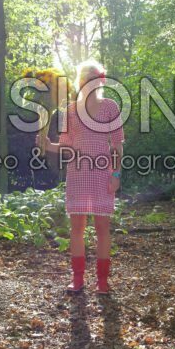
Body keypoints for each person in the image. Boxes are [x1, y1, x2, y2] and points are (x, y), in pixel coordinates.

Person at [36, 59, 125, 294]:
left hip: (103, 174)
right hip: (77, 174)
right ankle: (78, 279)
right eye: (85, 79)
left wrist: (116, 174)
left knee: (103, 228)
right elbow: (67, 147)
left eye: (93, 79)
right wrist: (48, 144)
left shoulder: (110, 107)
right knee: (77, 228)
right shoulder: (69, 111)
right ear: (80, 81)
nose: (89, 83)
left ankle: (103, 281)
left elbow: (117, 144)